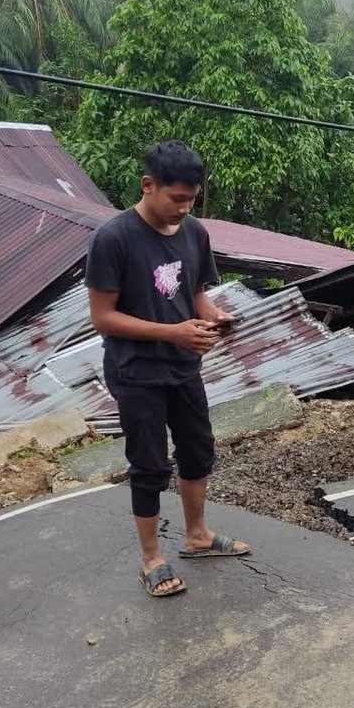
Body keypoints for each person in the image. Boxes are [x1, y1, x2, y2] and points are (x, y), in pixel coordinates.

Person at [86, 140, 250, 598]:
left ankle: (197, 535)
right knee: (149, 463)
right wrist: (174, 332)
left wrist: (212, 315)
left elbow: (194, 294)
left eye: (191, 199)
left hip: (183, 366)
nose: (183, 208)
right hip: (136, 370)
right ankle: (152, 559)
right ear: (148, 186)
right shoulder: (113, 238)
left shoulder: (194, 232)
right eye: (176, 198)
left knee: (198, 449)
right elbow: (103, 317)